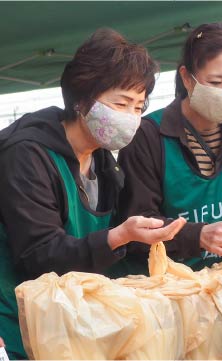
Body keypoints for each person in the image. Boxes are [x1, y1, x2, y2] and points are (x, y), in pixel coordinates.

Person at [0, 29, 186, 360]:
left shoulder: (103, 162)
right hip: (18, 323)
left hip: (66, 321)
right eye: (121, 103)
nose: (131, 117)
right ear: (82, 99)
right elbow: (38, 253)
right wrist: (116, 237)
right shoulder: (27, 154)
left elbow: (126, 235)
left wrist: (198, 235)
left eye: (139, 107)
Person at [117, 23, 222, 271]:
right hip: (151, 286)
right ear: (187, 78)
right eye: (216, 81)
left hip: (212, 280)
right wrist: (197, 235)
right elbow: (136, 222)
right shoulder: (147, 135)